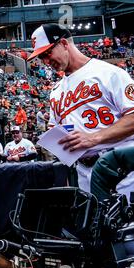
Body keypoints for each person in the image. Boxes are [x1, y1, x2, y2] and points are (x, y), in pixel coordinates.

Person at [28, 23, 134, 198]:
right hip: (83, 171)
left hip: (120, 168)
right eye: (41, 57)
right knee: (95, 225)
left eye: (47, 53)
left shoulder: (109, 73)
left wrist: (93, 138)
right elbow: (58, 132)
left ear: (63, 44)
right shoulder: (56, 91)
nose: (46, 62)